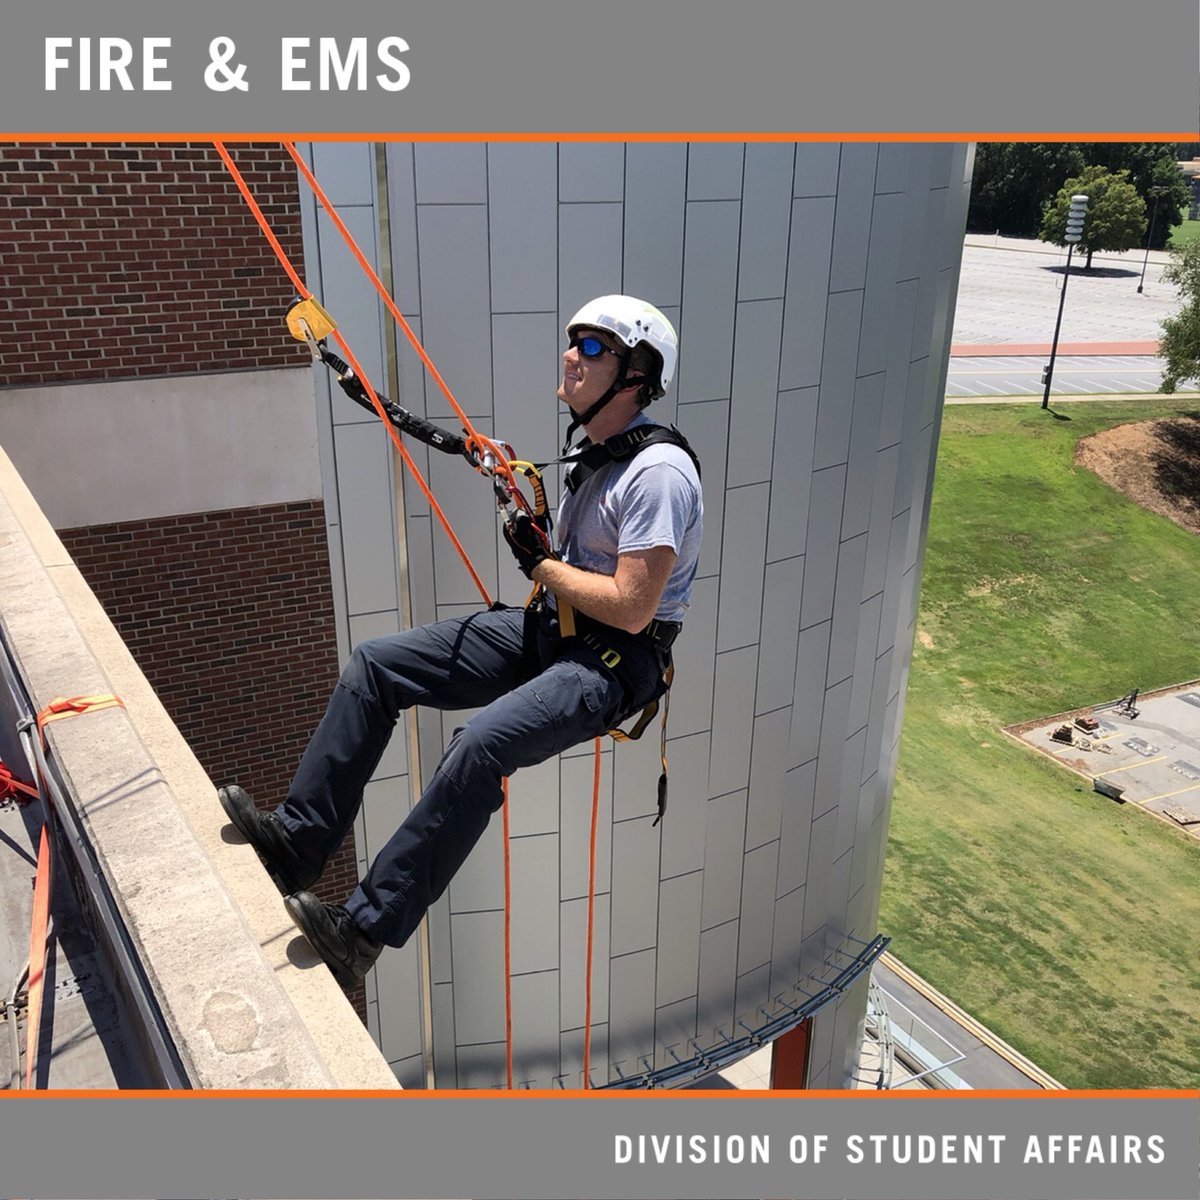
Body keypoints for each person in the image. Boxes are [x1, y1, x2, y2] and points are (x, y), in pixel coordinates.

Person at [218, 295, 703, 987]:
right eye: (573, 342)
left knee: (479, 748)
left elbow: (631, 607)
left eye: (593, 348)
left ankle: (361, 932)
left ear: (636, 373)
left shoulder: (657, 475)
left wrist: (539, 562)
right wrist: (528, 512)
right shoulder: (595, 454)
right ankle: (299, 841)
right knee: (378, 666)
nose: (570, 355)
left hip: (613, 659)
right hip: (556, 628)